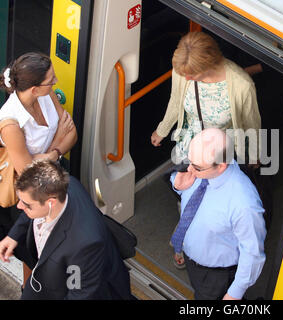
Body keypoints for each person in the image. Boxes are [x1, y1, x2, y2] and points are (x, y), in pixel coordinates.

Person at [0, 160, 132, 300]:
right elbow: (31, 212)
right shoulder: (63, 185)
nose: (19, 206)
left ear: (51, 202)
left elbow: (80, 293)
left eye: (27, 204)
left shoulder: (84, 244)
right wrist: (13, 236)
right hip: (45, 278)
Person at [0, 52, 77, 287]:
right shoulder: (10, 123)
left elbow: (72, 133)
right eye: (50, 80)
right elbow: (27, 174)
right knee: (33, 252)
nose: (55, 83)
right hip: (28, 195)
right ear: (34, 88)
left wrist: (47, 155)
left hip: (51, 175)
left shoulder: (46, 94)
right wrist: (57, 145)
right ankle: (30, 289)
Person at [170, 128, 266, 300]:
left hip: (216, 277)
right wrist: (176, 183)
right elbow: (180, 175)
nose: (189, 169)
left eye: (197, 167)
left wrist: (234, 294)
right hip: (193, 261)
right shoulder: (200, 160)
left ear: (221, 166)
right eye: (189, 161)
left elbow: (252, 253)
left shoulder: (243, 204)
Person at [150, 31, 261, 164]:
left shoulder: (242, 85)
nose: (186, 78)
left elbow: (251, 123)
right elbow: (175, 100)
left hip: (219, 153)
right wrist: (162, 130)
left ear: (208, 67)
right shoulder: (183, 69)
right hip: (188, 146)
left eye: (192, 76)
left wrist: (254, 155)